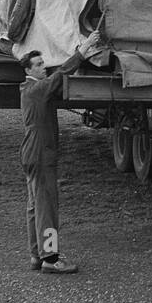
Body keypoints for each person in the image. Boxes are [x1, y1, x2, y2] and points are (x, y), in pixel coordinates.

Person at [21, 30, 104, 273]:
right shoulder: (37, 89)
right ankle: (51, 258)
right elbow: (61, 75)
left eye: (42, 63)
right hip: (40, 153)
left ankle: (37, 255)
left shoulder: (28, 90)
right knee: (47, 206)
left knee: (35, 206)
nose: (43, 67)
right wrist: (84, 50)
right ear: (29, 71)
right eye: (38, 65)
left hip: (31, 152)